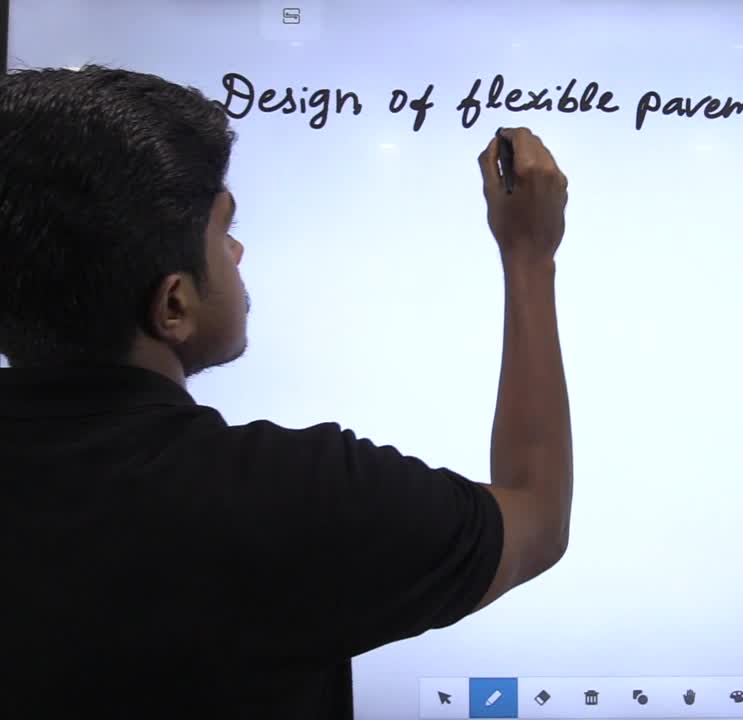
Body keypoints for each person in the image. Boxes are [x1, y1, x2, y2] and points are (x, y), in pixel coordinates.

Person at [0, 65, 573, 719]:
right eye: (222, 230)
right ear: (173, 304)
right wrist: (530, 255)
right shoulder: (289, 499)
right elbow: (536, 519)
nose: (237, 251)